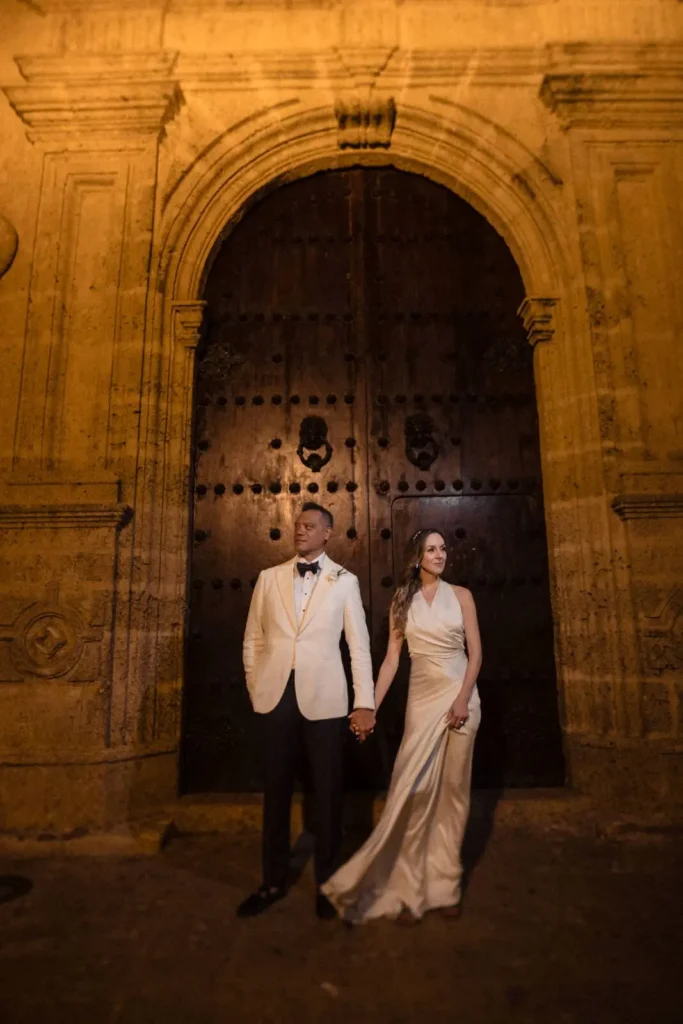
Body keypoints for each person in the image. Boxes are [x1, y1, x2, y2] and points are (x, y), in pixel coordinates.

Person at [322, 529, 482, 924]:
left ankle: (444, 889)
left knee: (453, 794)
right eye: (432, 549)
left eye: (444, 548)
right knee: (413, 790)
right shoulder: (402, 601)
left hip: (462, 697)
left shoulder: (462, 595)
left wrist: (463, 699)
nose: (440, 554)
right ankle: (408, 887)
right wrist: (370, 706)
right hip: (422, 702)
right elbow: (393, 660)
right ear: (417, 557)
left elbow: (476, 654)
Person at [238, 502, 376, 920]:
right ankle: (273, 881)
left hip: (327, 698)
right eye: (298, 525)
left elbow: (358, 646)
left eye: (310, 526)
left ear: (327, 533)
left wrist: (364, 702)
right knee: (276, 792)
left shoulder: (345, 582)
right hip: (275, 695)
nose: (301, 531)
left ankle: (327, 884)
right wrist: (257, 686)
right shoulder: (268, 578)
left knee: (328, 792)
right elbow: (253, 641)